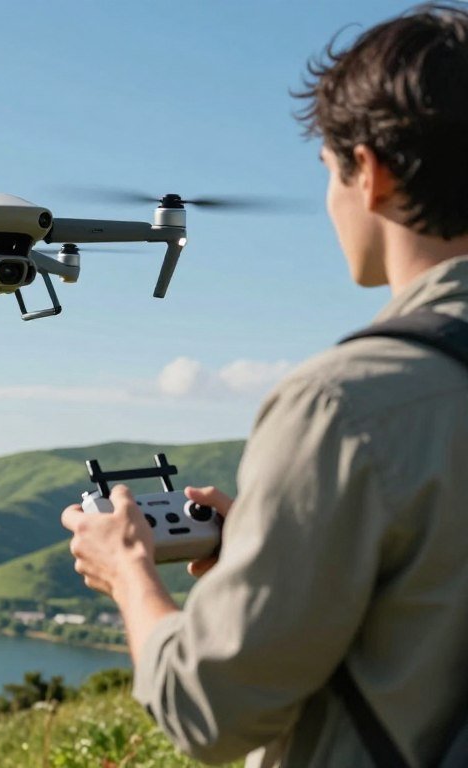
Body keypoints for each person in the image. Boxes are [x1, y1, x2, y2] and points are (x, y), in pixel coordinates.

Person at [61, 4, 468, 767]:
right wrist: (280, 547)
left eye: (328, 174)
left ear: (369, 172)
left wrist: (128, 572)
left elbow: (207, 712)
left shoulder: (346, 405)